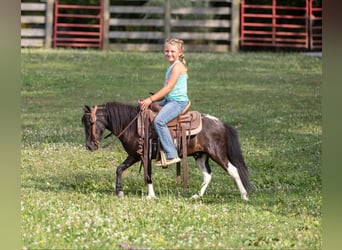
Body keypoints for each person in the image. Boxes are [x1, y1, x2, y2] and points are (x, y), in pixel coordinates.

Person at [139, 38, 189, 166]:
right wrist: (150, 102)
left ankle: (171, 154)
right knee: (147, 111)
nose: (169, 53)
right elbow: (166, 92)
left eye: (172, 51)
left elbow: (168, 88)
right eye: (167, 51)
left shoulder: (177, 67)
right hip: (169, 101)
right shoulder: (171, 67)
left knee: (159, 121)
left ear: (179, 52)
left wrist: (151, 99)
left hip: (178, 103)